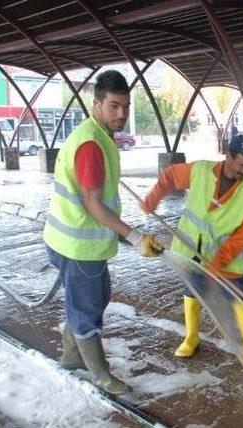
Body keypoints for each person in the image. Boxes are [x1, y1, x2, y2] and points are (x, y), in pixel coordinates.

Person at [43, 70, 163, 395]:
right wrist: (135, 237)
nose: (121, 113)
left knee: (96, 297)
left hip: (81, 241)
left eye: (125, 106)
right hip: (78, 245)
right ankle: (100, 375)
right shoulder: (92, 144)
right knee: (86, 308)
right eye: (114, 106)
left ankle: (72, 356)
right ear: (97, 104)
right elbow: (94, 204)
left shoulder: (98, 135)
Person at [140, 135, 243, 370]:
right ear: (228, 156)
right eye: (242, 164)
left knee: (240, 299)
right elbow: (170, 176)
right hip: (189, 250)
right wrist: (153, 198)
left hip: (227, 261)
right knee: (191, 291)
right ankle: (191, 337)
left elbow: (238, 238)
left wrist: (216, 266)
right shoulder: (201, 170)